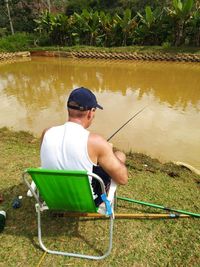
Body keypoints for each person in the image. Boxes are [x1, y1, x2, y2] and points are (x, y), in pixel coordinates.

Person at [40, 87, 128, 210]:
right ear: (90, 112)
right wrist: (107, 151)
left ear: (68, 109)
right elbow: (123, 179)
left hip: (53, 197)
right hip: (86, 201)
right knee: (120, 155)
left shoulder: (47, 132)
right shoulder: (96, 142)